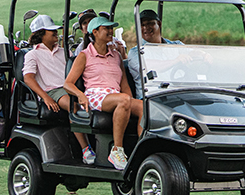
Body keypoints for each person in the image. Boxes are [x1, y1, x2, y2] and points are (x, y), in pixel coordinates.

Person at [64, 16, 143, 170]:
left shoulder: (116, 56)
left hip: (116, 96)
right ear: (95, 32)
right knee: (123, 100)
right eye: (106, 28)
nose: (110, 31)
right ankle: (116, 150)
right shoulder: (84, 55)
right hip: (95, 96)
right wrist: (80, 95)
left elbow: (124, 85)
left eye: (111, 28)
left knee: (143, 107)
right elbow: (68, 83)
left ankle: (141, 150)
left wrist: (132, 103)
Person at [22, 14, 96, 165]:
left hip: (69, 88)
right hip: (52, 91)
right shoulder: (33, 54)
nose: (56, 33)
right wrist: (46, 98)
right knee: (73, 106)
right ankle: (85, 149)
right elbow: (28, 78)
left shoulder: (64, 52)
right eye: (51, 31)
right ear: (41, 34)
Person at [127, 9, 185, 98]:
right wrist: (177, 60)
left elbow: (195, 53)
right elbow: (149, 67)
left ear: (159, 24)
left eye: (150, 23)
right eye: (142, 25)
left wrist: (204, 55)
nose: (146, 27)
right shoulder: (135, 52)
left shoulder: (177, 45)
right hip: (151, 99)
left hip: (179, 93)